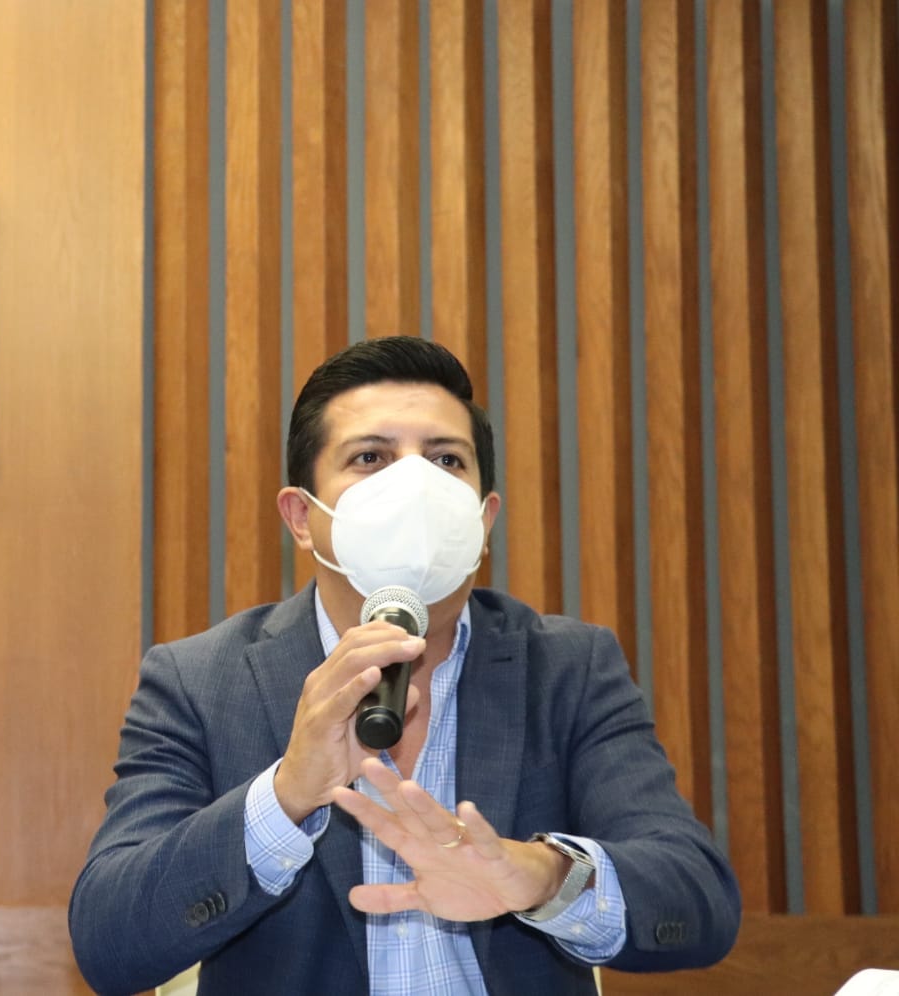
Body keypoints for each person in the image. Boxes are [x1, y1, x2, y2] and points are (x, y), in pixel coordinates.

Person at [69, 336, 740, 995]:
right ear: (302, 517)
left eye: (447, 460)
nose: (416, 485)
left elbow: (697, 899)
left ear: (484, 519)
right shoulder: (198, 680)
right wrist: (286, 795)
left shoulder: (566, 668)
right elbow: (109, 943)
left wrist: (539, 876)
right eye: (371, 457)